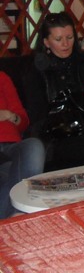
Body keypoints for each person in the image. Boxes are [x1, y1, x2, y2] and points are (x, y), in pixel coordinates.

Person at [30, 12, 84, 168]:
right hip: (55, 134)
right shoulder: (37, 70)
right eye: (58, 39)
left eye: (69, 37)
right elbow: (37, 117)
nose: (65, 44)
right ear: (46, 42)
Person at [0, 71, 45, 219]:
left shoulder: (2, 78)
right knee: (9, 176)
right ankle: (17, 216)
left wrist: (10, 116)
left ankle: (15, 215)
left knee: (34, 146)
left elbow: (23, 121)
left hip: (11, 146)